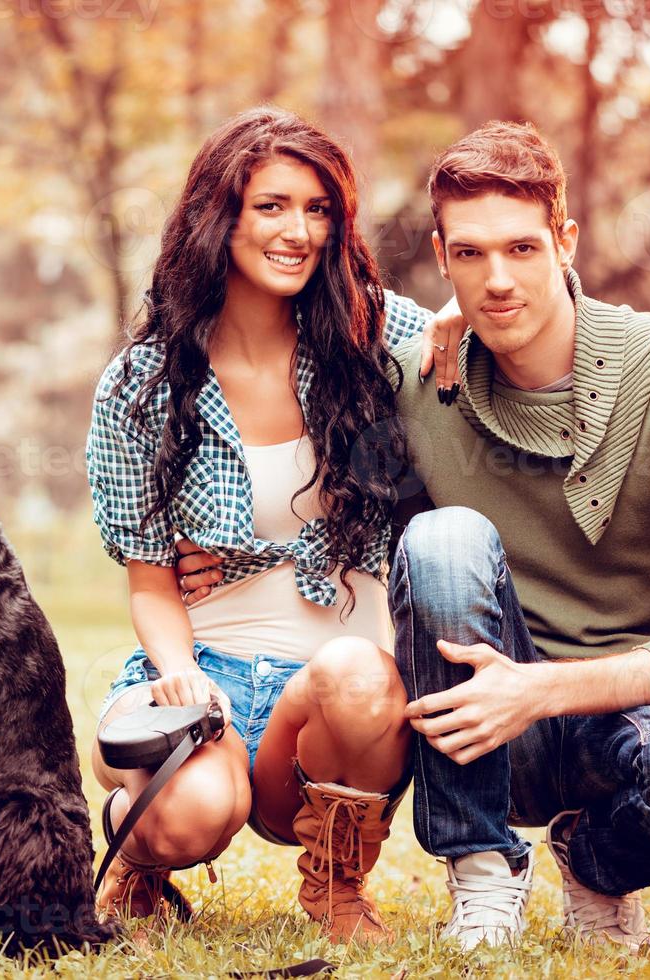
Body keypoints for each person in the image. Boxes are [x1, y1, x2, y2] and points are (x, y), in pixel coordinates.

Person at [176, 119, 650, 953]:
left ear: (566, 242)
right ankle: (482, 872)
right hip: (478, 732)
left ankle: (593, 865)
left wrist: (537, 690)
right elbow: (272, 343)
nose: (498, 282)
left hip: (633, 718)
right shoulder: (418, 370)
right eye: (471, 255)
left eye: (523, 250)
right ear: (442, 259)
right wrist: (214, 549)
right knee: (444, 538)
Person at [84, 106, 460, 943]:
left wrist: (453, 324)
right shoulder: (141, 385)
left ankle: (338, 887)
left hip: (336, 688)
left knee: (360, 678)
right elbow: (149, 582)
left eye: (318, 209)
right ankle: (138, 862)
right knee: (190, 814)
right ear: (220, 216)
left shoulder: (373, 334)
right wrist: (180, 675)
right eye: (272, 206)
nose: (299, 230)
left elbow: (486, 332)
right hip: (208, 672)